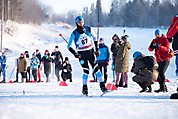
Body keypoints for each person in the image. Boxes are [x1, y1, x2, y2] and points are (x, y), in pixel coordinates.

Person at [67, 16, 107, 96]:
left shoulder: (89, 29)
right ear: (77, 23)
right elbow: (69, 46)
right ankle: (85, 89)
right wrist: (75, 53)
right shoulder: (74, 33)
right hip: (81, 54)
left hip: (90, 52)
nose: (81, 24)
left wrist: (97, 49)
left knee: (96, 69)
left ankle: (103, 87)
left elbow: (95, 38)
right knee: (86, 71)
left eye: (82, 22)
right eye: (79, 23)